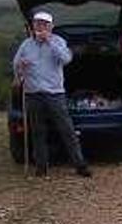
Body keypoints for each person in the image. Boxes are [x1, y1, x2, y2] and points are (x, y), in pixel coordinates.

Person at [12, 11, 92, 178]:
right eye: (38, 24)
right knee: (37, 132)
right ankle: (41, 166)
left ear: (51, 27)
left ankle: (79, 164)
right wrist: (21, 66)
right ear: (33, 26)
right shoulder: (26, 44)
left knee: (67, 130)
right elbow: (16, 65)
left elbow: (66, 59)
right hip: (32, 94)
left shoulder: (58, 41)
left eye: (45, 24)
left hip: (54, 94)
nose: (41, 27)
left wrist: (49, 41)